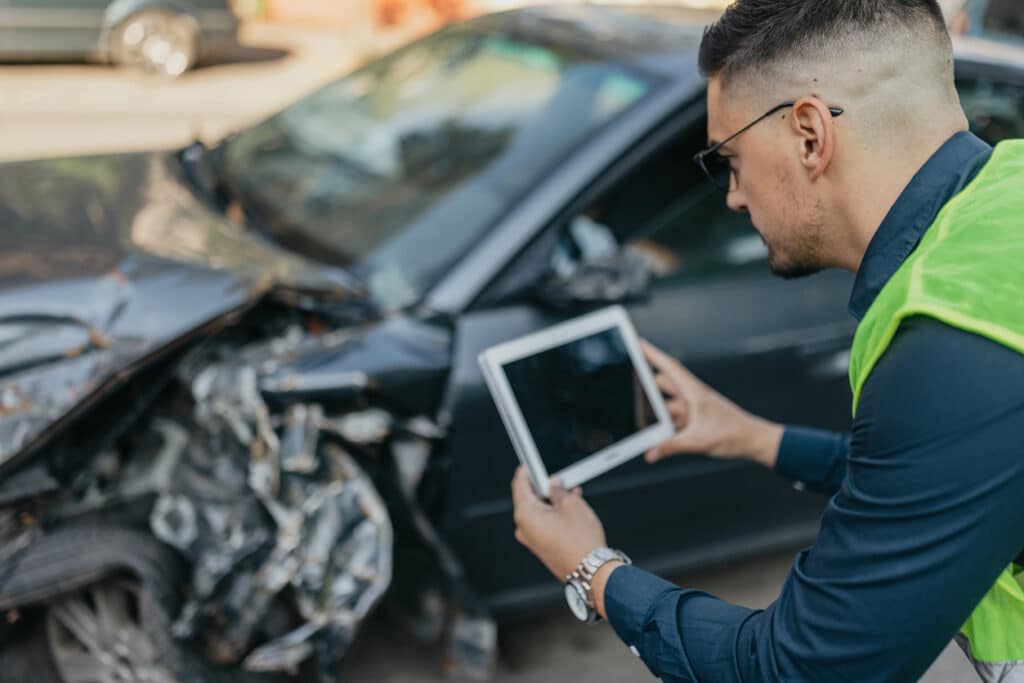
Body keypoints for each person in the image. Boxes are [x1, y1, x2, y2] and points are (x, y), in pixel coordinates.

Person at [509, 1, 1024, 681]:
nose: (733, 196)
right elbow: (931, 486)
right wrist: (748, 434)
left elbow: (798, 668)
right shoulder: (1005, 199)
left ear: (810, 135)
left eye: (730, 158)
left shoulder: (950, 335)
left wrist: (591, 568)